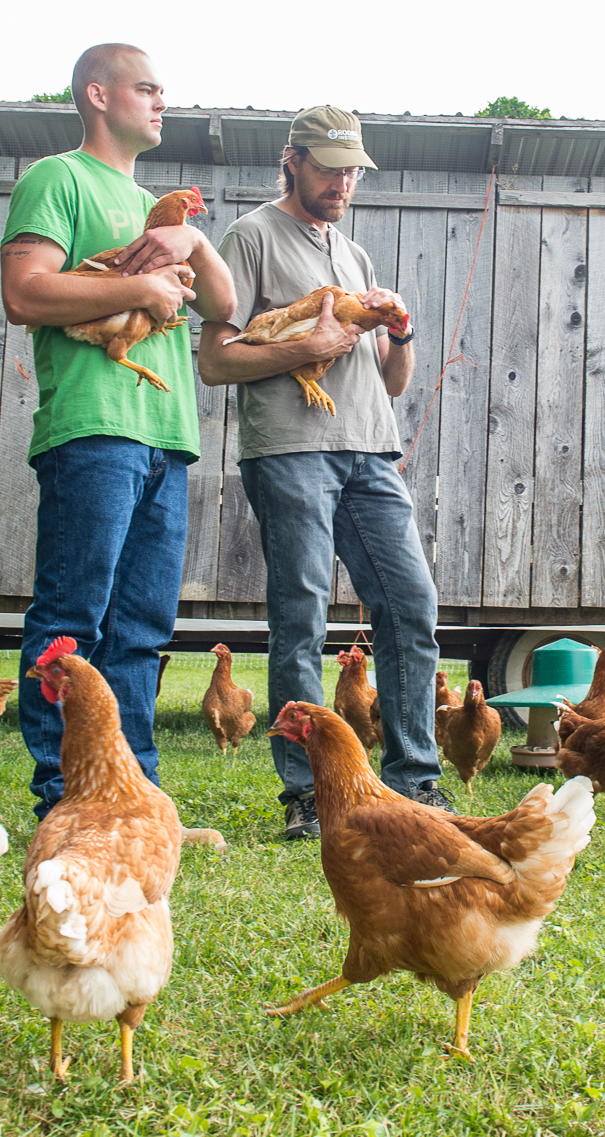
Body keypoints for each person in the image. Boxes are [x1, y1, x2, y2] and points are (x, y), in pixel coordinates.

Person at [0, 44, 236, 818]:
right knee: (74, 617)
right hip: (93, 428)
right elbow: (24, 292)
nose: (161, 102)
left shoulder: (162, 208)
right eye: (147, 89)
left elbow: (226, 307)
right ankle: (63, 798)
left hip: (166, 434)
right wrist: (146, 283)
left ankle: (135, 802)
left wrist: (192, 242)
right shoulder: (57, 177)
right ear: (98, 95)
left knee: (139, 630)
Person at [197, 106, 444, 840]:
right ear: (292, 160)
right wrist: (312, 342)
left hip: (370, 448)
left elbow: (391, 381)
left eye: (351, 171)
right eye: (330, 166)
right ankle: (309, 795)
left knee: (411, 606)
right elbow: (215, 359)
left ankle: (411, 782)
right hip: (290, 449)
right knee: (300, 618)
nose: (342, 182)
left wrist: (398, 329)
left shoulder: (354, 255)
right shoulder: (250, 237)